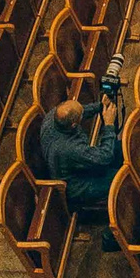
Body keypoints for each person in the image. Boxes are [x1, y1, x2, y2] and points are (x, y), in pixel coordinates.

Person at [39, 96, 124, 231]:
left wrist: (100, 106)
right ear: (74, 125)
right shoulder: (70, 148)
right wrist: (109, 125)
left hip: (76, 166)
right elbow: (104, 157)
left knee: (122, 147)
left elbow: (81, 111)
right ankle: (118, 228)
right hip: (79, 184)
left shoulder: (54, 115)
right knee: (122, 179)